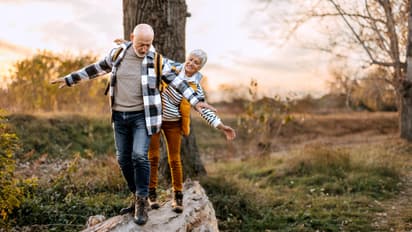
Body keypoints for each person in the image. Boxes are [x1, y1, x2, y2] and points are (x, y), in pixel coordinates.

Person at [50, 24, 215, 226]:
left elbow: (177, 81)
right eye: (141, 44)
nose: (144, 48)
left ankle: (142, 200)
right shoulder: (118, 53)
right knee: (123, 159)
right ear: (131, 38)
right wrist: (69, 79)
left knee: (139, 155)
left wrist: (196, 101)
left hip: (142, 117)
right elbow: (97, 68)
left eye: (148, 44)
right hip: (119, 116)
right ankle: (138, 195)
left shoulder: (155, 60)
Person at [147, 49, 236, 213]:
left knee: (174, 160)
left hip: (173, 124)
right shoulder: (172, 68)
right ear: (186, 59)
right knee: (153, 157)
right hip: (155, 119)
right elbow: (154, 56)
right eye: (190, 59)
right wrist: (130, 44)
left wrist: (221, 126)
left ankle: (178, 196)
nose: (191, 63)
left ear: (199, 68)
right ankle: (151, 195)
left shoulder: (196, 87)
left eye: (196, 63)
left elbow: (204, 109)